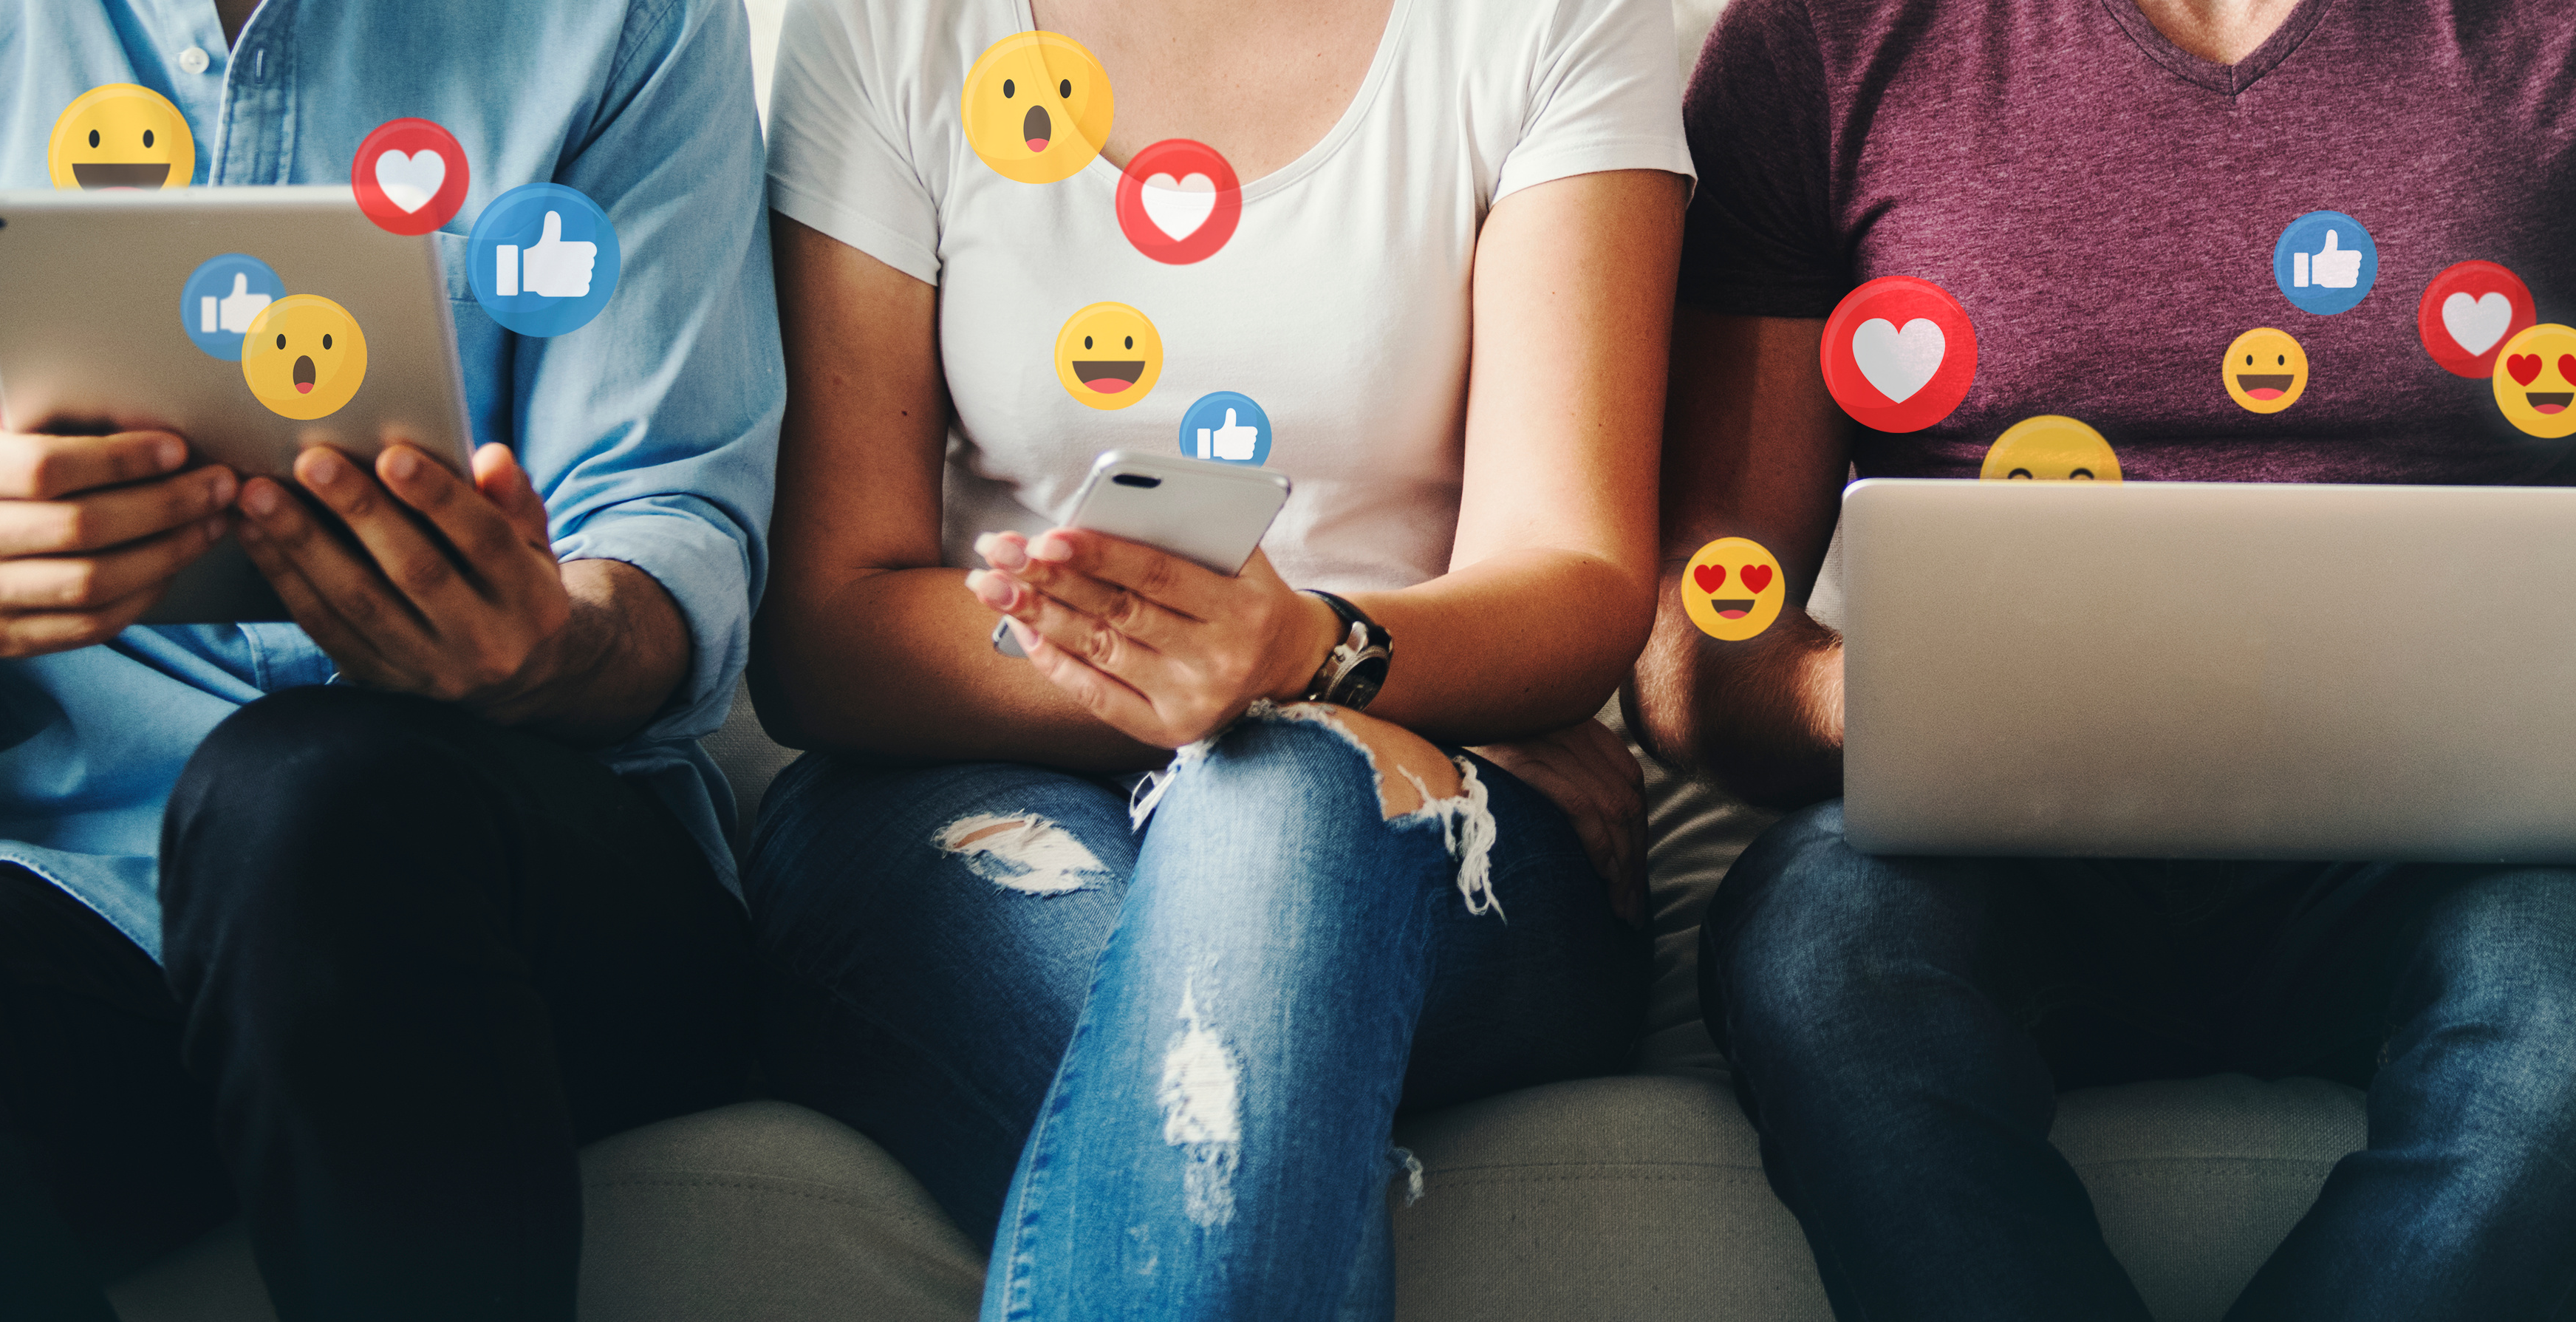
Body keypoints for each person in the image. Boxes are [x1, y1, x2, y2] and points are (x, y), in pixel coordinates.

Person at [1630, 0, 2576, 1318]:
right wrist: (1905, 700)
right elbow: (1700, 644)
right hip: (1996, 841)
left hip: (2445, 856)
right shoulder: (1824, 39)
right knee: (1823, 951)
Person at [748, 0, 1689, 1313]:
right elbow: (822, 636)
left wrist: (1320, 662)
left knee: (1292, 801)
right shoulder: (885, 23)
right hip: (961, 776)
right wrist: (1205, 680)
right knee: (1203, 1031)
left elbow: (1577, 577)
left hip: (1402, 775)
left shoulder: (1554, 21)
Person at [0, 1, 779, 1317]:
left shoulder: (622, 21)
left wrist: (554, 642)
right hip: (78, 910)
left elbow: (671, 513)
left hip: (504, 907)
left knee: (306, 797)